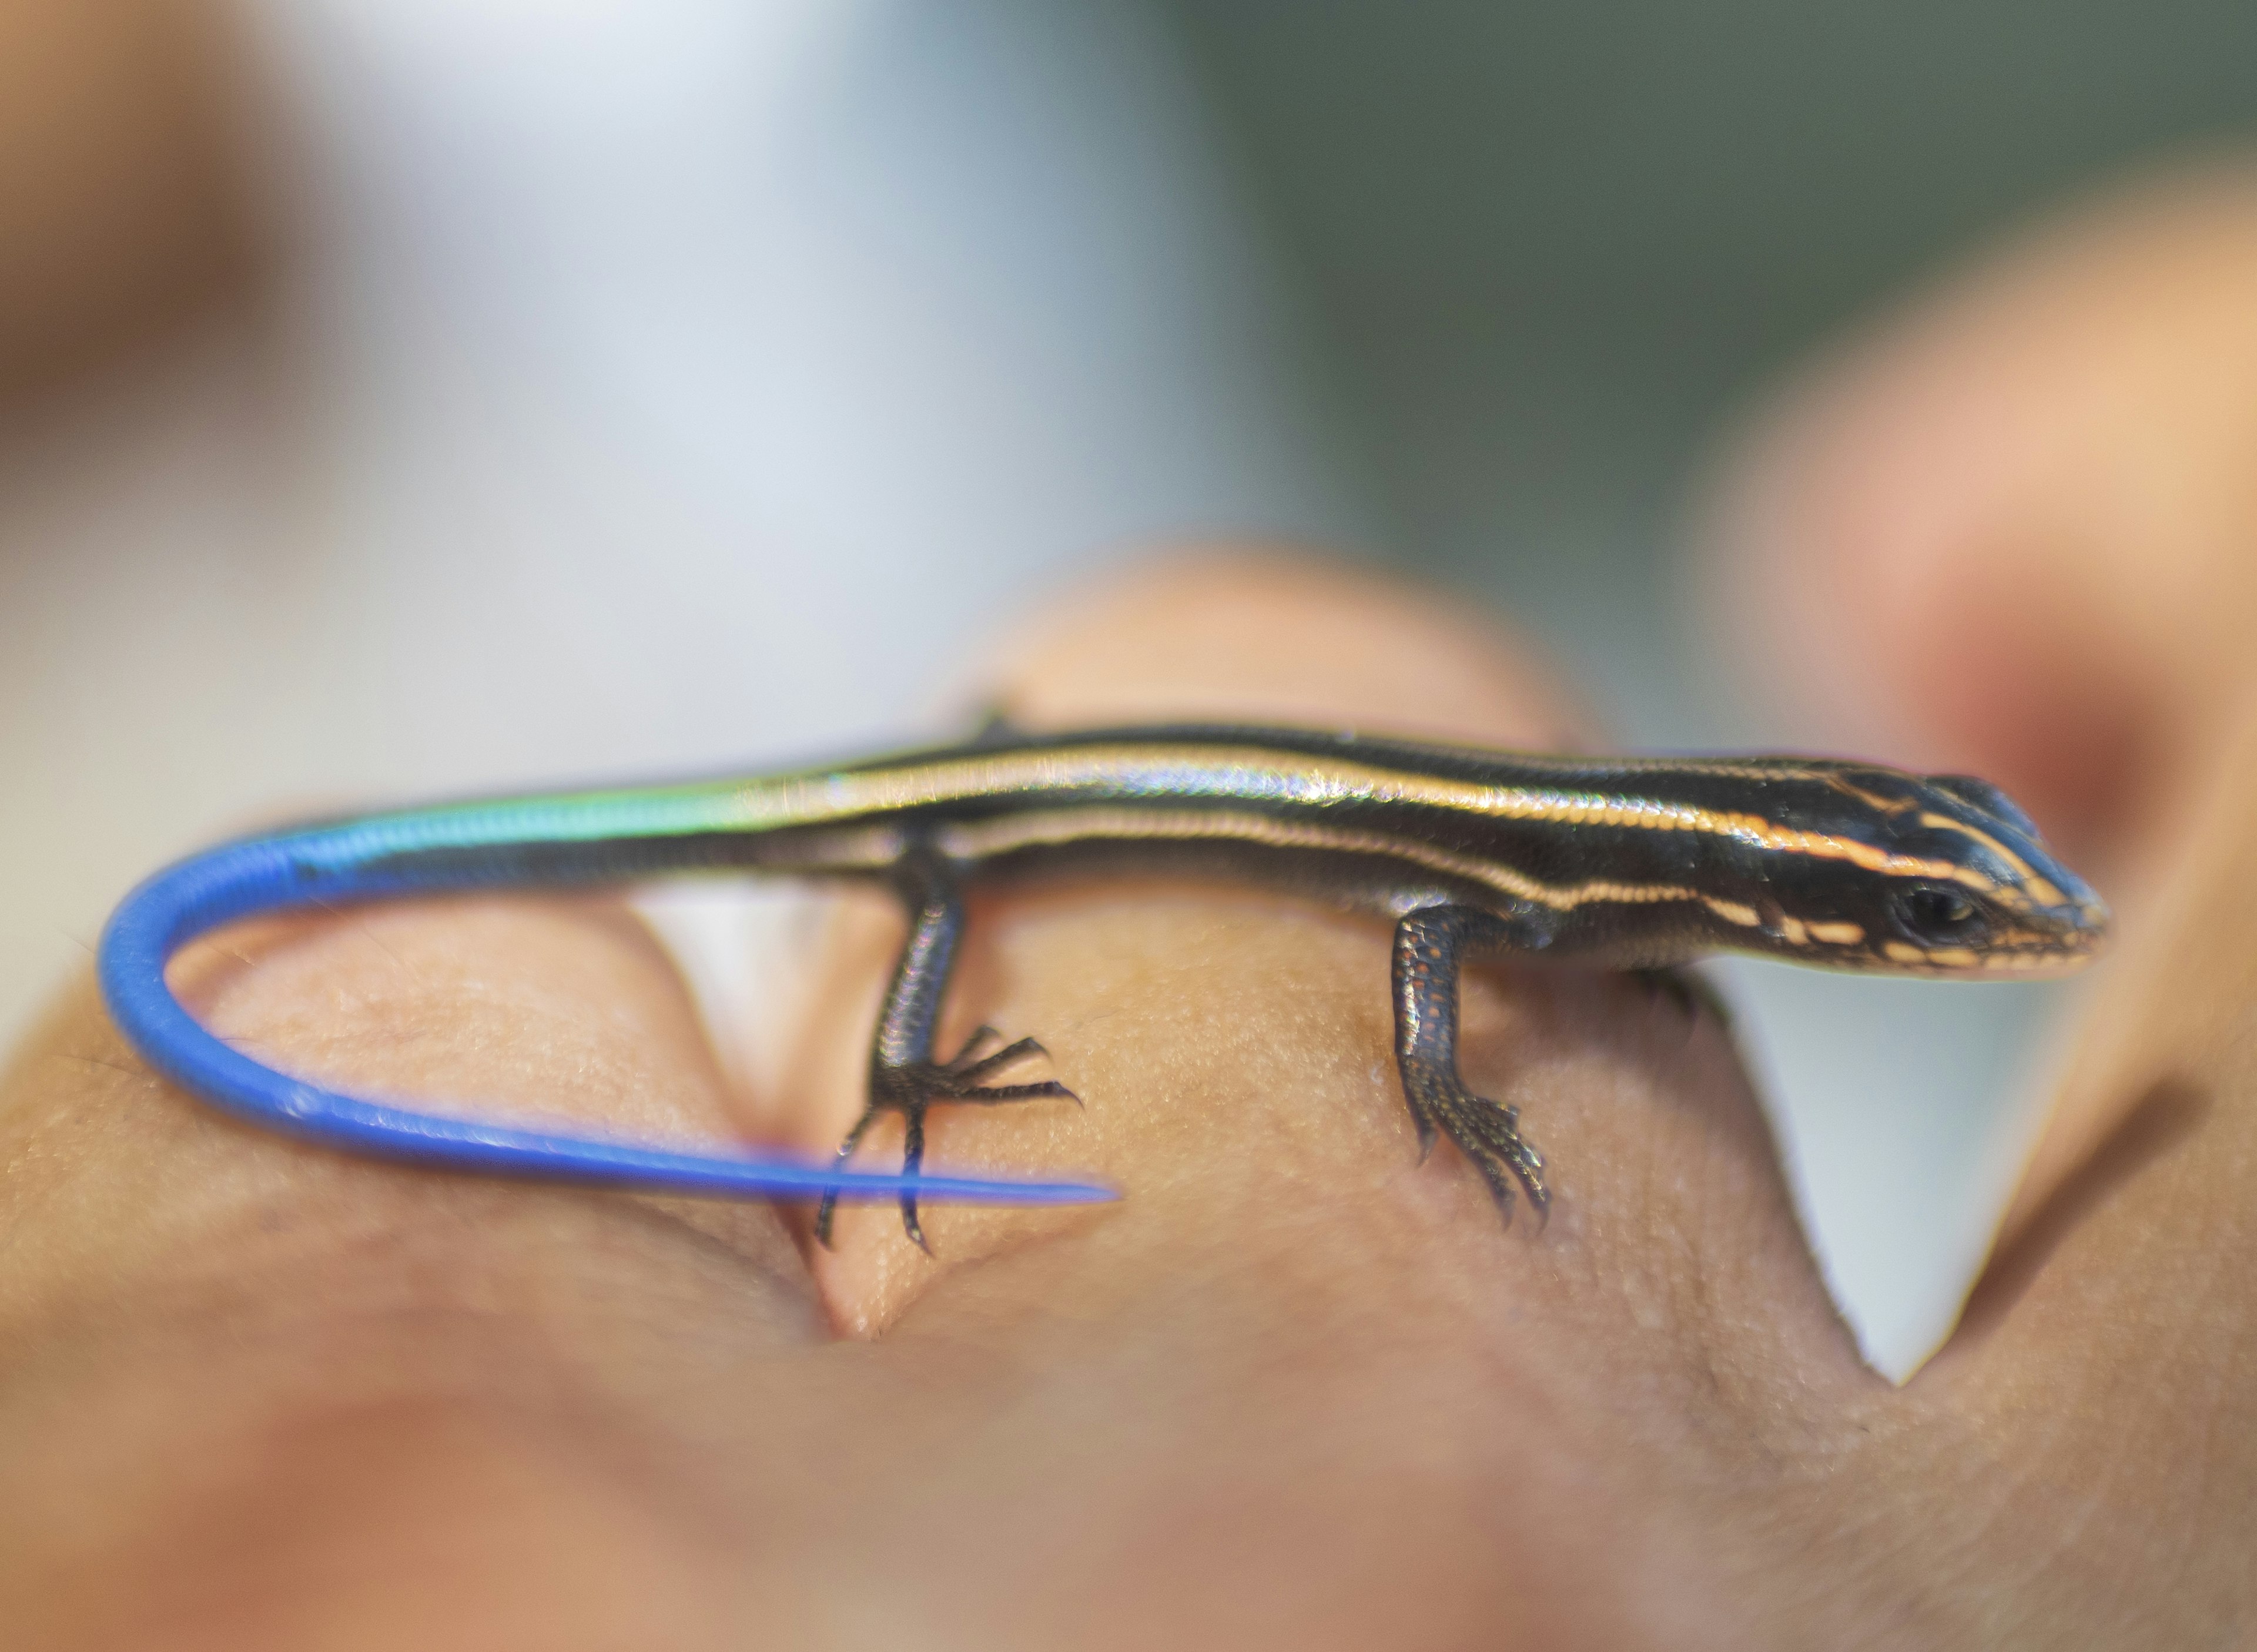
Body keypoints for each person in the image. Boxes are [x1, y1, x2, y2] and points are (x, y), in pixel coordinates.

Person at [6, 164, 2256, 1647]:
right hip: (945, 819)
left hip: (1013, 772)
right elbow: (1420, 934)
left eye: (1951, 907)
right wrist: (1444, 1112)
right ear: (1810, 894)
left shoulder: (1621, 865)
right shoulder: (1567, 871)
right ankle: (896, 1065)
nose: (1992, 916)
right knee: (936, 884)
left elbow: (1520, 902)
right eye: (1948, 913)